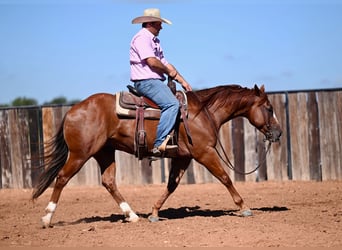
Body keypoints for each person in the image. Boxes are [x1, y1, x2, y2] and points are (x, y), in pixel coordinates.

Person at [130, 8, 192, 155]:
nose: (161, 27)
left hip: (154, 81)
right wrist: (167, 71)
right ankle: (159, 143)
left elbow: (165, 63)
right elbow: (152, 62)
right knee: (172, 104)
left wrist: (183, 81)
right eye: (159, 23)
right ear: (151, 23)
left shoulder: (154, 41)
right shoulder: (142, 38)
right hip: (146, 81)